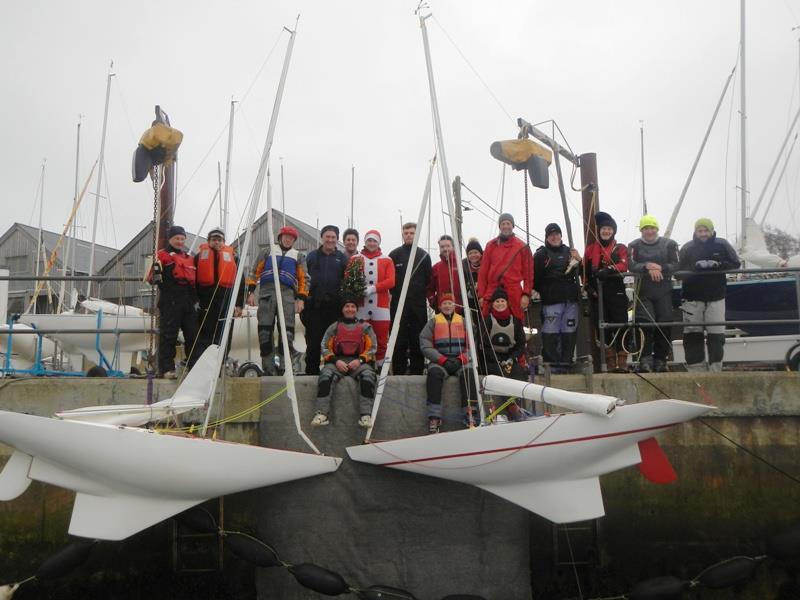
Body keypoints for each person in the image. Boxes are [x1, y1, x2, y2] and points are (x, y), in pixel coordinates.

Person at [677, 218, 740, 371]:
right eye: (700, 231)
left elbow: (735, 264)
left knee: (717, 336)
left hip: (716, 297)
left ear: (712, 231)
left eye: (706, 231)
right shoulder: (687, 248)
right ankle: (696, 371)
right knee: (692, 337)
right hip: (692, 299)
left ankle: (715, 370)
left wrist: (718, 265)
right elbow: (678, 273)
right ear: (695, 232)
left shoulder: (722, 244)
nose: (703, 234)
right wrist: (695, 268)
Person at [246, 225, 309, 375]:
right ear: (280, 237)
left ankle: (284, 367)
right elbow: (254, 272)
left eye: (291, 238)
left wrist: (301, 299)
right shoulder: (267, 252)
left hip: (287, 296)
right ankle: (268, 369)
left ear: (294, 240)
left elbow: (304, 279)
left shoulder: (298, 256)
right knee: (265, 332)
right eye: (286, 236)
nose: (288, 239)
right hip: (267, 294)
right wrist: (251, 292)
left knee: (287, 333)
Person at [311, 298, 377, 428]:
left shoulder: (365, 327)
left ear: (356, 310)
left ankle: (365, 415)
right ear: (342, 309)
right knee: (325, 376)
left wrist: (360, 361)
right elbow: (324, 346)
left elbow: (372, 348)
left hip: (359, 363)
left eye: (353, 306)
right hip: (337, 362)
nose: (350, 309)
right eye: (347, 306)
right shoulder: (333, 327)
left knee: (368, 376)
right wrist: (336, 361)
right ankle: (322, 414)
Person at [419, 292, 479, 434]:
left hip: (460, 361)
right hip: (440, 361)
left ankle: (470, 413)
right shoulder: (433, 322)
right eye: (445, 303)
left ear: (455, 305)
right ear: (440, 306)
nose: (447, 306)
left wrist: (462, 359)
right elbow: (425, 343)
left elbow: (473, 345)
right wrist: (441, 359)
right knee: (433, 375)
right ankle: (434, 417)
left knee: (469, 375)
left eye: (450, 303)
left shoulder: (464, 321)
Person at [628, 215, 680, 373]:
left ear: (657, 229)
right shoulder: (634, 245)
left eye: (652, 228)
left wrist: (660, 268)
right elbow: (631, 264)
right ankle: (645, 360)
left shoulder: (670, 244)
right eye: (645, 228)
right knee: (645, 324)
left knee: (664, 323)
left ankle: (661, 360)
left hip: (663, 290)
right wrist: (647, 266)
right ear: (641, 230)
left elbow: (677, 264)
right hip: (643, 291)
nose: (649, 231)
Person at [150, 225, 198, 379]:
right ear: (170, 239)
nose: (180, 241)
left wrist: (194, 299)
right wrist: (170, 291)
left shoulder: (188, 258)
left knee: (192, 334)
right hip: (170, 300)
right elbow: (155, 279)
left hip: (187, 300)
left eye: (182, 239)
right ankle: (166, 368)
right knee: (169, 335)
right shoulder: (162, 256)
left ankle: (194, 366)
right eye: (177, 238)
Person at [584, 212, 630, 373]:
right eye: (604, 228)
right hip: (598, 293)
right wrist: (588, 287)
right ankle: (610, 362)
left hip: (616, 291)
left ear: (614, 231)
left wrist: (609, 269)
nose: (606, 231)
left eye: (609, 229)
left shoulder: (620, 248)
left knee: (621, 324)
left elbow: (624, 265)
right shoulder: (590, 250)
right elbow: (586, 272)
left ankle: (622, 360)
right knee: (603, 326)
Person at [533, 223, 582, 371]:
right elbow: (535, 278)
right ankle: (552, 366)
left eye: (557, 234)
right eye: (551, 235)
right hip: (551, 301)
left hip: (570, 300)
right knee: (551, 332)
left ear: (561, 235)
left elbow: (583, 273)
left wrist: (579, 259)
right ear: (547, 237)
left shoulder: (570, 252)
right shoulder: (541, 254)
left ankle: (566, 364)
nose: (554, 237)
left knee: (569, 332)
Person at [389, 222, 432, 375]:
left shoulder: (424, 256)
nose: (408, 235)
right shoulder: (394, 255)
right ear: (402, 235)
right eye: (406, 233)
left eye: (412, 233)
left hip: (418, 306)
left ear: (416, 234)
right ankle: (399, 373)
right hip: (398, 305)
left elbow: (428, 279)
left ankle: (417, 372)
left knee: (417, 340)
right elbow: (390, 281)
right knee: (398, 340)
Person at [194, 226, 243, 359]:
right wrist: (195, 300)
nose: (217, 242)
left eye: (219, 240)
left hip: (226, 300)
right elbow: (193, 281)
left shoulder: (234, 258)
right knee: (205, 332)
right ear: (209, 241)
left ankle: (221, 360)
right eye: (214, 239)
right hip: (206, 300)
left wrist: (239, 305)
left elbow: (241, 282)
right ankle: (204, 360)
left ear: (224, 241)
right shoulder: (198, 257)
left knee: (224, 331)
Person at [481, 287, 526, 421]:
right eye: (497, 301)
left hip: (509, 357)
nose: (500, 304)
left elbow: (521, 344)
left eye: (502, 301)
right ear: (493, 304)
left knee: (518, 372)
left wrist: (512, 358)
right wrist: (496, 360)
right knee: (500, 376)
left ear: (507, 303)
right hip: (492, 359)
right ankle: (511, 408)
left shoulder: (515, 321)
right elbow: (482, 344)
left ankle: (520, 405)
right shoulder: (487, 320)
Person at [478, 213, 533, 321]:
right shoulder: (491, 245)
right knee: (488, 323)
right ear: (499, 226)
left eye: (508, 223)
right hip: (492, 290)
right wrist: (481, 295)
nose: (506, 226)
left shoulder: (522, 247)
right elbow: (483, 272)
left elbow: (529, 273)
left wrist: (526, 294)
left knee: (516, 323)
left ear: (513, 226)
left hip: (514, 291)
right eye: (503, 224)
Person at [353, 230, 395, 363]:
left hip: (381, 307)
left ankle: (381, 368)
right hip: (361, 307)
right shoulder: (355, 259)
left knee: (382, 340)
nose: (371, 243)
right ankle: (361, 366)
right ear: (365, 242)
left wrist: (373, 288)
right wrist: (357, 289)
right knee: (360, 339)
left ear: (378, 243)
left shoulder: (387, 260)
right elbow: (349, 278)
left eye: (374, 241)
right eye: (369, 240)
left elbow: (391, 281)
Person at [427, 235, 465, 313]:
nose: (445, 249)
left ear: (453, 247)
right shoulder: (436, 267)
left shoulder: (461, 265)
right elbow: (429, 288)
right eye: (442, 246)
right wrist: (433, 301)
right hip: (442, 310)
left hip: (460, 310)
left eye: (448, 246)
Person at [462, 238, 483, 318]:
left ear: (480, 253)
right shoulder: (464, 266)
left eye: (475, 252)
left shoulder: (486, 264)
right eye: (470, 253)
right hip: (472, 299)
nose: (473, 255)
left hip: (485, 299)